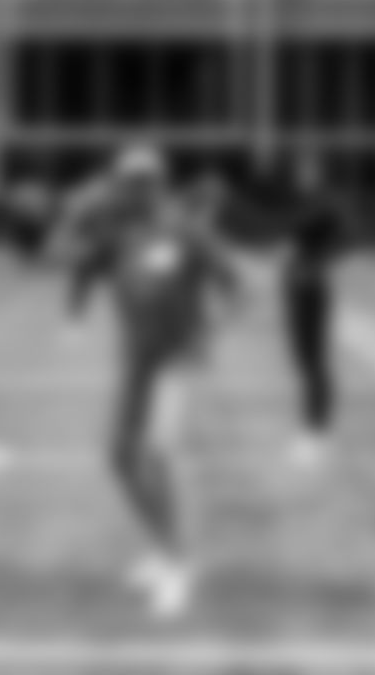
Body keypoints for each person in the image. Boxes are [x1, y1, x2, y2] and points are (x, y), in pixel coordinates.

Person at [51, 144, 242, 618]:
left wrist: (210, 329)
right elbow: (56, 255)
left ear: (159, 184)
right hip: (137, 361)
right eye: (126, 181)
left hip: (175, 359)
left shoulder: (187, 230)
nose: (134, 190)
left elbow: (234, 284)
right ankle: (161, 549)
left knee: (156, 457)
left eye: (143, 181)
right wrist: (75, 213)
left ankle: (179, 566)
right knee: (118, 458)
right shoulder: (115, 234)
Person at [279, 154, 350, 471]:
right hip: (295, 285)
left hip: (312, 286)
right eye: (300, 169)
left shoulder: (327, 204)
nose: (302, 175)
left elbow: (346, 241)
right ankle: (311, 428)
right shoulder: (304, 203)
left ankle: (316, 431)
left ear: (319, 172)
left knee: (314, 358)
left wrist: (319, 264)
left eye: (308, 169)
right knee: (301, 357)